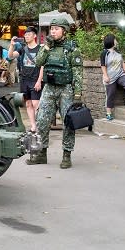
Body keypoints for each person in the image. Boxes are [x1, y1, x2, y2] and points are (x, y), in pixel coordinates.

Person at [26, 18, 83, 169]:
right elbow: (38, 62)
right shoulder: (47, 47)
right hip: (49, 88)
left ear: (64, 31)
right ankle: (42, 154)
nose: (53, 31)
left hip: (65, 89)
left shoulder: (72, 48)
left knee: (68, 123)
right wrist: (46, 47)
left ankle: (66, 155)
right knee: (42, 121)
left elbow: (77, 72)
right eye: (51, 28)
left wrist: (78, 94)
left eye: (56, 29)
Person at [9, 28, 42, 132]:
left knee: (36, 104)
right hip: (24, 80)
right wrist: (12, 45)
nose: (26, 36)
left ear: (34, 36)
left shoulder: (40, 49)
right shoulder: (23, 48)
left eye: (29, 34)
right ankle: (33, 126)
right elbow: (10, 56)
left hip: (35, 79)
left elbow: (42, 66)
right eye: (25, 35)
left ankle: (40, 124)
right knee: (28, 104)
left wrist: (39, 81)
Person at [100, 34, 125, 121]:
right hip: (110, 77)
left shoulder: (118, 53)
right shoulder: (104, 53)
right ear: (111, 41)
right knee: (110, 95)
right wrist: (106, 76)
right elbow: (103, 66)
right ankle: (108, 113)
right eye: (115, 40)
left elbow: (122, 62)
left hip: (119, 74)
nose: (116, 41)